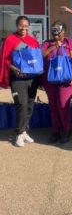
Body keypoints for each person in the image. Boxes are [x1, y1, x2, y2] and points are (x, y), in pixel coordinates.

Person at [0, 16, 40, 147]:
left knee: (30, 104)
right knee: (21, 104)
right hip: (17, 78)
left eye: (26, 26)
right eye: (21, 26)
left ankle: (24, 131)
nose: (24, 28)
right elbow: (4, 59)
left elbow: (37, 59)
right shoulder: (9, 39)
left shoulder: (33, 41)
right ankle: (18, 133)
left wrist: (39, 69)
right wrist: (14, 69)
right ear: (17, 26)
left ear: (29, 27)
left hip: (32, 78)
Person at [41, 21, 72, 144]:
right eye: (53, 30)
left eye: (57, 30)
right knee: (53, 106)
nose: (55, 32)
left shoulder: (69, 42)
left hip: (66, 79)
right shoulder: (46, 43)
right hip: (50, 79)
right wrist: (54, 46)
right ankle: (55, 131)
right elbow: (40, 56)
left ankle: (67, 129)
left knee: (63, 104)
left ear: (63, 31)